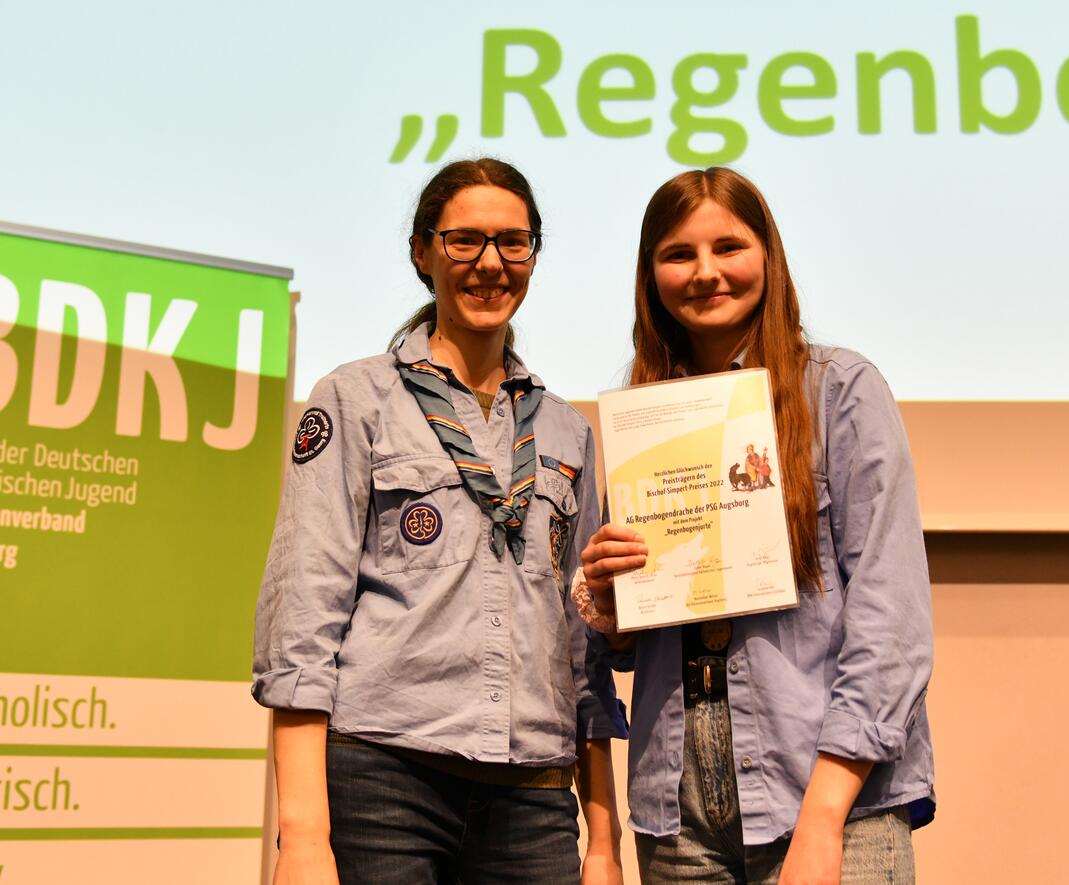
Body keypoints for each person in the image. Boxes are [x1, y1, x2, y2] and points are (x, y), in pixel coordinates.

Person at [253, 158, 627, 885]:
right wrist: (302, 838)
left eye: (513, 243)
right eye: (465, 241)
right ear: (424, 252)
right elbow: (303, 619)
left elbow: (583, 655)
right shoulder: (357, 399)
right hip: (382, 783)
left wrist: (605, 842)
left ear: (533, 257)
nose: (490, 264)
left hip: (533, 796)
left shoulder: (567, 432)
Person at [577, 168, 934, 884]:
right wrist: (610, 604)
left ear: (767, 255)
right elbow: (619, 648)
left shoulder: (840, 391)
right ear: (650, 275)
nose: (705, 272)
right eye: (678, 254)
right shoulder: (647, 418)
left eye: (728, 247)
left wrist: (825, 815)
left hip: (828, 791)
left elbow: (891, 623)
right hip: (677, 811)